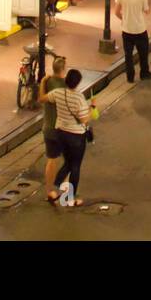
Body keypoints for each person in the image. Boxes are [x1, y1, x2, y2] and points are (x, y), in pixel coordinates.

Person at [47, 69, 92, 205]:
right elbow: (84, 120)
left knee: (68, 162)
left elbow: (44, 98)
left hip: (61, 133)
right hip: (76, 136)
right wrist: (93, 107)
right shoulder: (79, 98)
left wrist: (44, 82)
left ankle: (55, 188)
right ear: (77, 83)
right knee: (75, 166)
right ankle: (70, 198)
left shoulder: (58, 93)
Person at [113, 0, 151, 83]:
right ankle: (144, 73)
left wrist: (124, 18)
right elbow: (147, 11)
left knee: (128, 55)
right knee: (143, 53)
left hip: (126, 30)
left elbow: (116, 12)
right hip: (140, 29)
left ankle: (130, 77)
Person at [37, 56, 69, 197]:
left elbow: (41, 98)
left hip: (48, 127)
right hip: (63, 129)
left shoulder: (48, 82)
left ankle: (50, 190)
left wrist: (43, 81)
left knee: (51, 159)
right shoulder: (66, 85)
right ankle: (65, 187)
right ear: (63, 69)